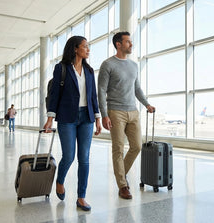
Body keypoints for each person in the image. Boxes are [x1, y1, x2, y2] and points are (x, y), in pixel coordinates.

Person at [43, 36, 101, 211]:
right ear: (75, 49)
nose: (88, 49)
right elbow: (54, 95)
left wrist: (98, 118)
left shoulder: (89, 71)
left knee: (84, 158)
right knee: (69, 156)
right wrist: (50, 118)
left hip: (87, 118)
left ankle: (81, 197)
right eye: (85, 47)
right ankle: (60, 181)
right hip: (67, 117)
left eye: (88, 47)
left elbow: (93, 97)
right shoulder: (61, 68)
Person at [98, 31, 155, 199]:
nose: (131, 44)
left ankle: (119, 174)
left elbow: (137, 88)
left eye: (131, 42)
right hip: (115, 111)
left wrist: (146, 104)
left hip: (133, 111)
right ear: (118, 44)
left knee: (137, 146)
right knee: (118, 149)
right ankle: (122, 185)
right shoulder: (107, 64)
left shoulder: (134, 65)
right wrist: (104, 114)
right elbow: (101, 91)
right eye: (128, 42)